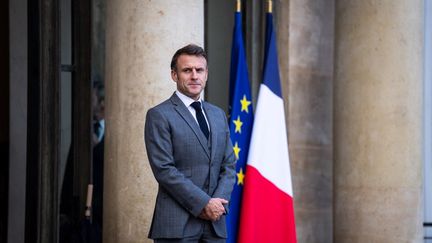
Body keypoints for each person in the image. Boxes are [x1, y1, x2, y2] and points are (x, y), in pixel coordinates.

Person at [145, 44, 236, 242]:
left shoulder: (218, 114)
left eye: (199, 70)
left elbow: (229, 166)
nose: (194, 76)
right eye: (187, 70)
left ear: (206, 74)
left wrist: (216, 206)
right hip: (177, 226)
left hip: (215, 225)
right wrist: (204, 204)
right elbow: (164, 170)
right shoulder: (159, 115)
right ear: (174, 75)